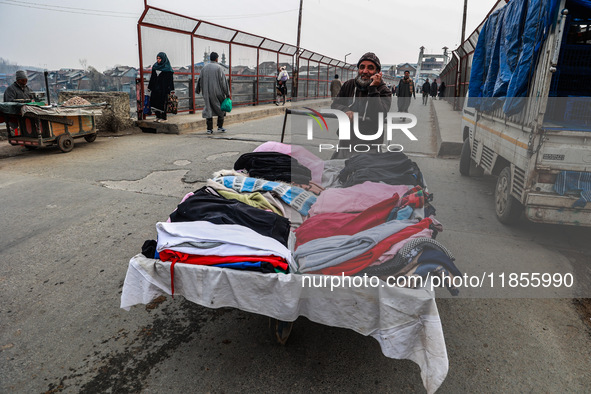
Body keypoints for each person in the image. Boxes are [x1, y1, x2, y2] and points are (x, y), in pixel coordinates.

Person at [331, 52, 392, 159]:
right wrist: (345, 110)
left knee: (365, 175)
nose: (365, 71)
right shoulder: (349, 85)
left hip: (370, 145)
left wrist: (373, 89)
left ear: (377, 72)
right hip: (346, 142)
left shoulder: (383, 90)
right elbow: (335, 104)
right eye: (362, 67)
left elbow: (379, 114)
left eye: (370, 68)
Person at [199, 52, 230, 134]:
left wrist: (198, 90)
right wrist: (227, 93)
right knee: (221, 108)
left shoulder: (204, 68)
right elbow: (223, 82)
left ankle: (209, 129)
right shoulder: (219, 68)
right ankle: (220, 127)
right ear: (216, 59)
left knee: (208, 108)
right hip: (217, 92)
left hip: (207, 93)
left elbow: (200, 80)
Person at [147, 52, 174, 122]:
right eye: (157, 58)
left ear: (163, 59)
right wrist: (150, 87)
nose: (158, 60)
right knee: (154, 102)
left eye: (160, 58)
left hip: (164, 89)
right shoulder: (155, 67)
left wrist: (171, 89)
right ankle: (157, 116)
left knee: (163, 102)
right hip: (155, 88)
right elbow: (152, 78)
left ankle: (164, 117)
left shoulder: (168, 68)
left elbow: (171, 80)